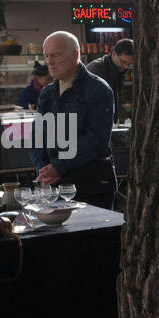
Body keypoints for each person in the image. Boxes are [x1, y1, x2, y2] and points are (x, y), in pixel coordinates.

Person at [33, 31, 118, 209]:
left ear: (75, 55)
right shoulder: (47, 93)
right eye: (46, 55)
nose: (49, 61)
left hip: (91, 184)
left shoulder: (98, 89)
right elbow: (37, 137)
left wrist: (58, 167)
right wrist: (43, 170)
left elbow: (96, 140)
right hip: (54, 185)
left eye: (55, 55)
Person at [86, 38, 134, 120]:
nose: (126, 67)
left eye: (129, 64)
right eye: (123, 62)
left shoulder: (118, 70)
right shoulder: (96, 69)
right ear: (114, 54)